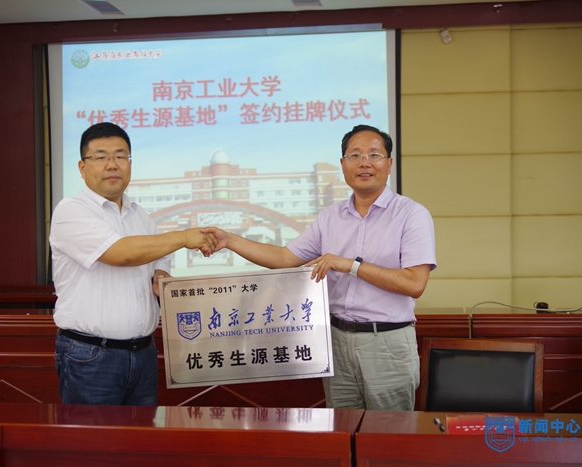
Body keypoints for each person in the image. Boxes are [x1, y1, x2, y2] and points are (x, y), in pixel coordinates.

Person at [203, 124, 436, 410]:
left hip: (386, 342)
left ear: (388, 163)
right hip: (335, 340)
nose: (364, 163)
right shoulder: (330, 217)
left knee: (388, 431)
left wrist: (351, 265)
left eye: (374, 155)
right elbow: (283, 257)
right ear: (343, 164)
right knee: (342, 428)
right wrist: (230, 240)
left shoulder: (411, 215)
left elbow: (414, 283)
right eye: (355, 155)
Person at [50, 122, 217, 406]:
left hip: (143, 352)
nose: (112, 164)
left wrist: (160, 274)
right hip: (91, 355)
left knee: (141, 434)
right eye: (100, 156)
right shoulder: (72, 210)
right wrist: (184, 237)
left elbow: (158, 256)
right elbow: (121, 253)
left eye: (121, 156)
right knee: (93, 435)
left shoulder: (139, 215)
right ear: (82, 167)